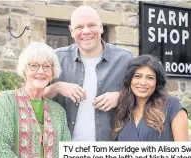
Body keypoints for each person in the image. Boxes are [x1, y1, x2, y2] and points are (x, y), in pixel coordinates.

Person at [44, 5, 134, 141]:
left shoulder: (125, 59)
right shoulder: (56, 58)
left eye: (91, 25)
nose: (86, 31)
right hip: (64, 151)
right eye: (79, 27)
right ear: (71, 31)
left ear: (101, 27)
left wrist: (121, 96)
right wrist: (58, 87)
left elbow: (147, 96)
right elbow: (32, 97)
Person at [0, 42, 71, 158]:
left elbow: (66, 153)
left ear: (53, 72)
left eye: (47, 66)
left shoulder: (58, 111)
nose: (41, 71)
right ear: (24, 70)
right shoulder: (7, 101)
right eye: (34, 66)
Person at [112, 55, 189, 141]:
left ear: (157, 82)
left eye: (150, 78)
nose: (143, 82)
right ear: (130, 79)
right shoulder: (123, 110)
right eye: (138, 76)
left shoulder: (173, 107)